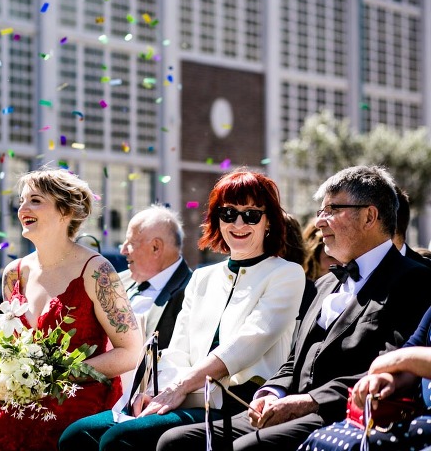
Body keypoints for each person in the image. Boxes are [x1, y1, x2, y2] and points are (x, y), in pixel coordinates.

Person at [157, 165, 431, 451]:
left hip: (343, 413)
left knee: (249, 448)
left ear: (369, 216)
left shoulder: (415, 279)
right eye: (320, 212)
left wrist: (309, 401)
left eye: (332, 210)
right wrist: (271, 390)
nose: (320, 222)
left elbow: (395, 365)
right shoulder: (325, 284)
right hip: (286, 406)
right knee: (174, 442)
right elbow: (294, 359)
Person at [59, 168, 306, 451]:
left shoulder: (287, 274)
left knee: (121, 439)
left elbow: (249, 342)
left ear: (268, 222)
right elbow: (177, 349)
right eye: (228, 214)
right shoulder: (202, 277)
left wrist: (178, 389)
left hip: (235, 404)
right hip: (184, 396)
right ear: (218, 219)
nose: (238, 223)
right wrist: (156, 392)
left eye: (251, 214)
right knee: (77, 435)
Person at [0, 167, 142, 451]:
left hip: (77, 394)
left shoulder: (97, 271)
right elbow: (12, 345)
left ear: (65, 211)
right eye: (21, 201)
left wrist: (55, 376)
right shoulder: (14, 273)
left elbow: (129, 352)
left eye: (35, 200)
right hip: (23, 393)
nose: (22, 208)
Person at [298, 304, 431, 450]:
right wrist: (389, 380)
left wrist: (403, 359)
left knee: (356, 446)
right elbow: (414, 352)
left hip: (425, 424)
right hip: (413, 413)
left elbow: (404, 359)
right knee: (321, 440)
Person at [120, 204, 192, 348]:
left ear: (156, 247)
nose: (123, 250)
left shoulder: (192, 291)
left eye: (131, 243)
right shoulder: (116, 280)